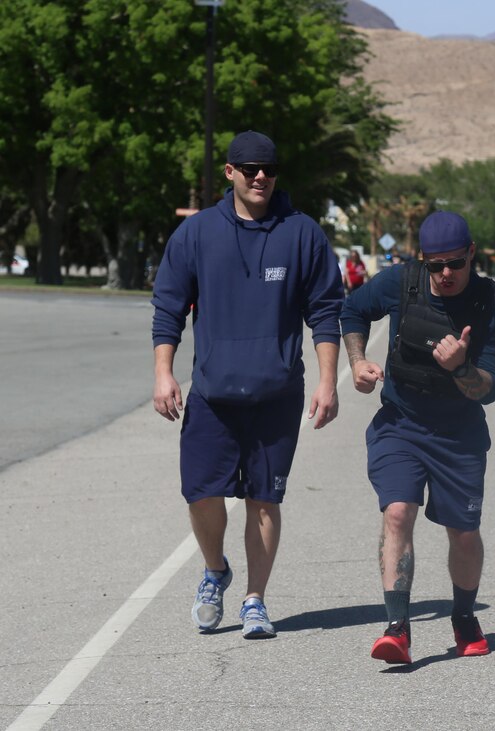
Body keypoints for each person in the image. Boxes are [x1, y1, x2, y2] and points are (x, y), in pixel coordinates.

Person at [151, 130, 343, 639]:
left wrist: (328, 381)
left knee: (264, 498)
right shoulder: (196, 234)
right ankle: (216, 570)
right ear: (230, 172)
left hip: (276, 395)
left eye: (269, 169)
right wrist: (164, 372)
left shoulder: (303, 234)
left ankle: (255, 600)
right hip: (212, 393)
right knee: (200, 493)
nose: (261, 177)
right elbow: (168, 307)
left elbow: (326, 312)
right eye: (251, 168)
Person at [340, 211, 495, 665]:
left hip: (460, 433)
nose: (446, 274)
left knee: (464, 532)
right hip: (401, 423)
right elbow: (353, 310)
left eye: (456, 263)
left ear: (471, 254)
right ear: (424, 260)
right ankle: (397, 628)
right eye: (436, 265)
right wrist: (357, 362)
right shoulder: (402, 282)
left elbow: (490, 389)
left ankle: (464, 617)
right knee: (398, 512)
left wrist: (460, 368)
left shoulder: (494, 305)